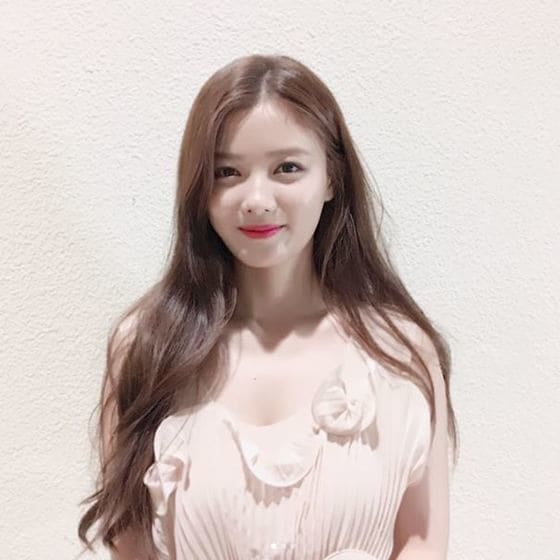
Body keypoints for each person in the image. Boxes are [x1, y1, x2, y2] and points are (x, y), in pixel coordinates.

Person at [78, 53, 458, 560]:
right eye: (227, 172)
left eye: (287, 168)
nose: (256, 198)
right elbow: (131, 549)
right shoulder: (146, 349)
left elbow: (422, 540)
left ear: (332, 178)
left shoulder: (400, 353)